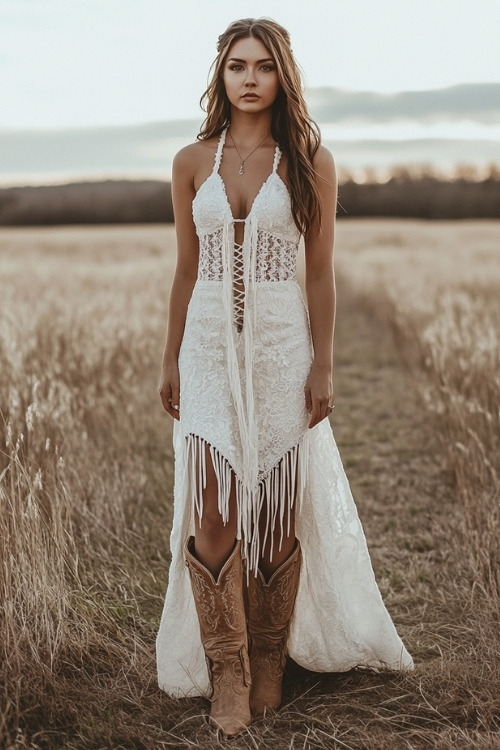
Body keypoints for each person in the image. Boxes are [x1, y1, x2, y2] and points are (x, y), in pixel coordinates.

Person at [156, 17, 413, 737]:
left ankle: (269, 657)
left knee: (272, 507)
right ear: (221, 74)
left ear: (281, 77)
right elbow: (185, 270)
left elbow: (321, 274)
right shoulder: (188, 161)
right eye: (237, 65)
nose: (248, 78)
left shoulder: (307, 160)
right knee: (213, 507)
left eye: (262, 66)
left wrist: (322, 363)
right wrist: (170, 355)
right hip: (206, 346)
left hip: (279, 346)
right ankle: (229, 669)